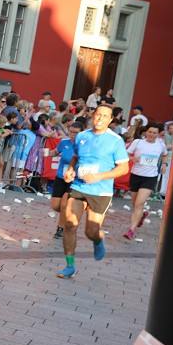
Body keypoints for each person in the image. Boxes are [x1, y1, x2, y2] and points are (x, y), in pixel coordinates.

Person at [58, 105, 131, 279]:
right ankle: (70, 266)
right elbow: (75, 157)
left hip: (101, 191)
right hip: (79, 186)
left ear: (110, 120)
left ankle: (98, 240)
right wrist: (70, 170)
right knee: (69, 223)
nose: (100, 118)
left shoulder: (115, 140)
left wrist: (99, 176)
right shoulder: (82, 136)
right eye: (98, 115)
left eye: (104, 116)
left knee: (90, 231)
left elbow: (123, 168)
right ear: (93, 116)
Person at [124, 123, 167, 240]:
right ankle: (142, 215)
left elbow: (165, 155)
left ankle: (131, 230)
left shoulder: (160, 145)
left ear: (158, 134)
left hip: (150, 177)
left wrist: (164, 164)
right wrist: (133, 158)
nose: (151, 135)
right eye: (150, 132)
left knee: (139, 204)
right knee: (135, 205)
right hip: (136, 175)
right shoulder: (138, 142)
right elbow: (126, 154)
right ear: (146, 132)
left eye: (154, 133)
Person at [50, 121, 82, 238]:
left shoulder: (83, 146)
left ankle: (60, 229)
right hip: (60, 177)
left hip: (74, 179)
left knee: (64, 205)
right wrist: (48, 153)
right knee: (55, 206)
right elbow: (56, 152)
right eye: (71, 132)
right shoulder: (64, 142)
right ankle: (68, 214)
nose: (73, 134)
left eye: (76, 133)